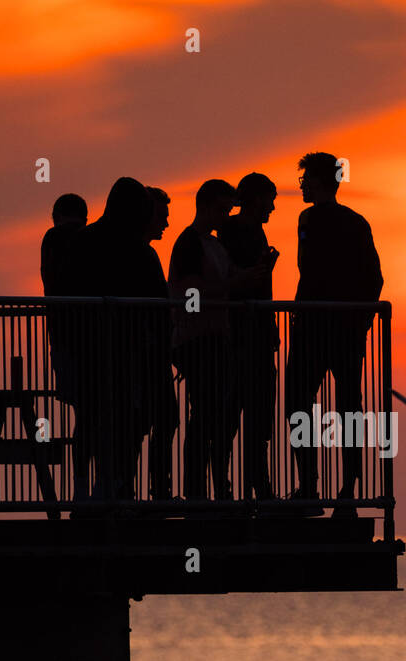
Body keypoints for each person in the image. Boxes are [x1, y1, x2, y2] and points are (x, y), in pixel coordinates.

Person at [284, 152, 383, 515]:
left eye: (307, 179)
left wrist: (357, 323)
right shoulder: (316, 219)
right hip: (319, 328)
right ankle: (324, 488)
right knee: (323, 408)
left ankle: (335, 489)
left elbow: (373, 279)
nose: (303, 185)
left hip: (330, 329)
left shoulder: (348, 222)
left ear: (324, 181)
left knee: (335, 410)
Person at [168, 179, 264, 500]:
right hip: (196, 340)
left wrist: (252, 275)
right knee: (204, 416)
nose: (227, 217)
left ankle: (206, 490)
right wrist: (233, 287)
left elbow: (230, 276)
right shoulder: (189, 243)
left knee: (212, 416)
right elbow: (190, 292)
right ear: (206, 206)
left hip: (216, 338)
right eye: (223, 210)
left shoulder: (215, 244)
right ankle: (196, 491)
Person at [67, 177, 156, 500]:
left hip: (87, 346)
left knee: (89, 418)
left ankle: (83, 486)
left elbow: (68, 292)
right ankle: (113, 484)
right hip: (126, 349)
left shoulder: (82, 240)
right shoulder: (139, 251)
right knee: (122, 418)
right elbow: (158, 303)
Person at [218, 173, 280, 500]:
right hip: (241, 336)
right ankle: (240, 486)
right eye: (269, 199)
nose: (271, 207)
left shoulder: (245, 229)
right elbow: (241, 278)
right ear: (256, 199)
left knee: (253, 415)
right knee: (236, 413)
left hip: (252, 333)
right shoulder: (237, 230)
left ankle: (253, 484)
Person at [40, 193, 90, 500]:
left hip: (63, 338)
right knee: (92, 416)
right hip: (93, 339)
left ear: (56, 215)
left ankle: (82, 488)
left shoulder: (52, 239)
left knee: (83, 415)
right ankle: (97, 487)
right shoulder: (88, 239)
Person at [140, 186, 178, 500]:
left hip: (155, 351)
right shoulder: (143, 254)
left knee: (160, 419)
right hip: (149, 353)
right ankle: (158, 490)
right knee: (162, 418)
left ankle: (157, 488)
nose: (165, 224)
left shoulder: (146, 253)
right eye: (161, 216)